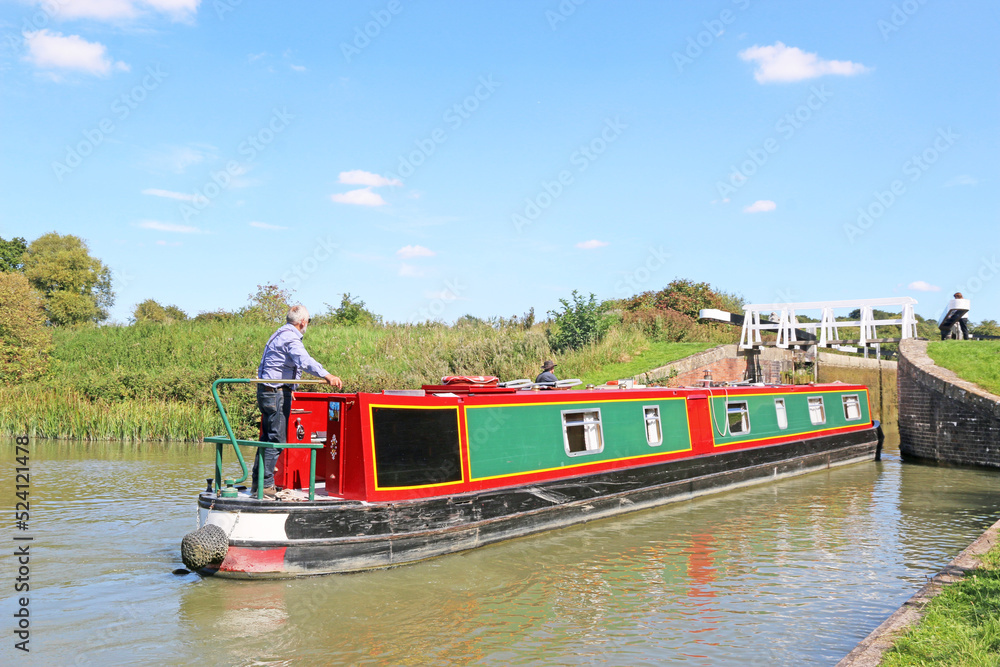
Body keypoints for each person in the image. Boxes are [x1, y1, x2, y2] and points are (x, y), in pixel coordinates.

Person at [254, 305, 342, 498]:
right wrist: (327, 375)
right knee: (276, 439)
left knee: (267, 438)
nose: (308, 325)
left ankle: (258, 484)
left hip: (269, 390)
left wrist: (290, 388)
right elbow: (304, 360)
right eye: (309, 321)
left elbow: (279, 364)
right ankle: (265, 486)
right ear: (303, 322)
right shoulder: (291, 337)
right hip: (275, 392)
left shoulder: (278, 334)